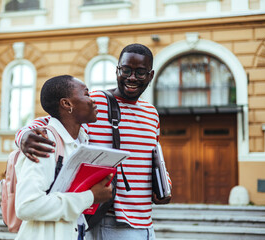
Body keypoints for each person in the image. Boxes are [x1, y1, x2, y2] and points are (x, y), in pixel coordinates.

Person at [15, 44, 172, 240]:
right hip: (110, 221)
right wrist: (24, 136)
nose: (132, 77)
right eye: (126, 70)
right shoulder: (95, 102)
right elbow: (50, 121)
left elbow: (153, 157)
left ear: (150, 75)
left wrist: (164, 185)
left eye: (140, 72)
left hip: (146, 222)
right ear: (117, 70)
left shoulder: (152, 114)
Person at [14, 75, 114, 240]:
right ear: (67, 104)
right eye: (87, 94)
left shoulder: (81, 142)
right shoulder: (45, 143)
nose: (93, 100)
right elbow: (27, 206)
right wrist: (90, 196)